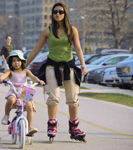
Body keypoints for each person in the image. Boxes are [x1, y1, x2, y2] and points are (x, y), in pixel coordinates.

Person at [25, 2, 88, 141]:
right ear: (52, 14)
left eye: (60, 11)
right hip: (51, 67)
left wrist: (83, 65)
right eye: (55, 12)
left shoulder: (72, 30)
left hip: (68, 67)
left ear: (65, 14)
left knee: (73, 98)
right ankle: (52, 124)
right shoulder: (48, 31)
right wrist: (24, 65)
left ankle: (74, 127)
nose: (57, 14)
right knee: (53, 98)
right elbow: (36, 50)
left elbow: (78, 49)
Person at [0, 50, 45, 135]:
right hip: (14, 92)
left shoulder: (26, 71)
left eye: (18, 60)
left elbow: (33, 77)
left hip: (25, 92)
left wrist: (39, 81)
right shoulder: (10, 71)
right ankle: (6, 115)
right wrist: (1, 79)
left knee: (29, 105)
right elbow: (3, 76)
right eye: (14, 61)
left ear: (22, 61)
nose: (16, 63)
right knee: (11, 100)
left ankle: (30, 127)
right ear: (10, 62)